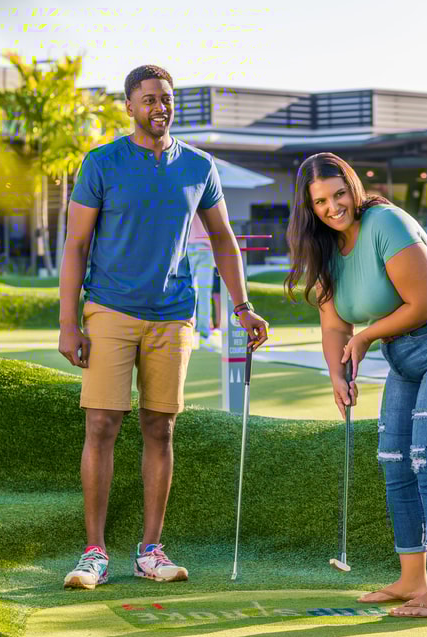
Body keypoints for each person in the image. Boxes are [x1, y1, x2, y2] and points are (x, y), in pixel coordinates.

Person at [57, 64, 269, 589]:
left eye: (167, 98)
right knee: (102, 424)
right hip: (109, 307)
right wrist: (68, 323)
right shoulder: (101, 163)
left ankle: (150, 549)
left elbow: (223, 240)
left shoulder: (199, 166)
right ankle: (94, 552)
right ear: (129, 106)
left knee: (161, 426)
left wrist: (241, 307)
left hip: (173, 313)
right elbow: (76, 244)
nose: (160, 106)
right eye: (149, 98)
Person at [285, 152, 427, 618]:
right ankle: (411, 579)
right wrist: (337, 374)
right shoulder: (323, 250)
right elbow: (333, 324)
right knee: (396, 462)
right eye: (320, 200)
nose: (333, 207)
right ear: (308, 206)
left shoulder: (385, 222)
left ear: (353, 189)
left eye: (340, 194)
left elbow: (425, 302)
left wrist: (366, 337)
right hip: (405, 354)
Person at [186, 214, 218, 349]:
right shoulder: (207, 198)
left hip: (187, 246)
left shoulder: (186, 195)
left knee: (190, 291)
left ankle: (188, 331)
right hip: (205, 247)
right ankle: (204, 335)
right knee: (204, 293)